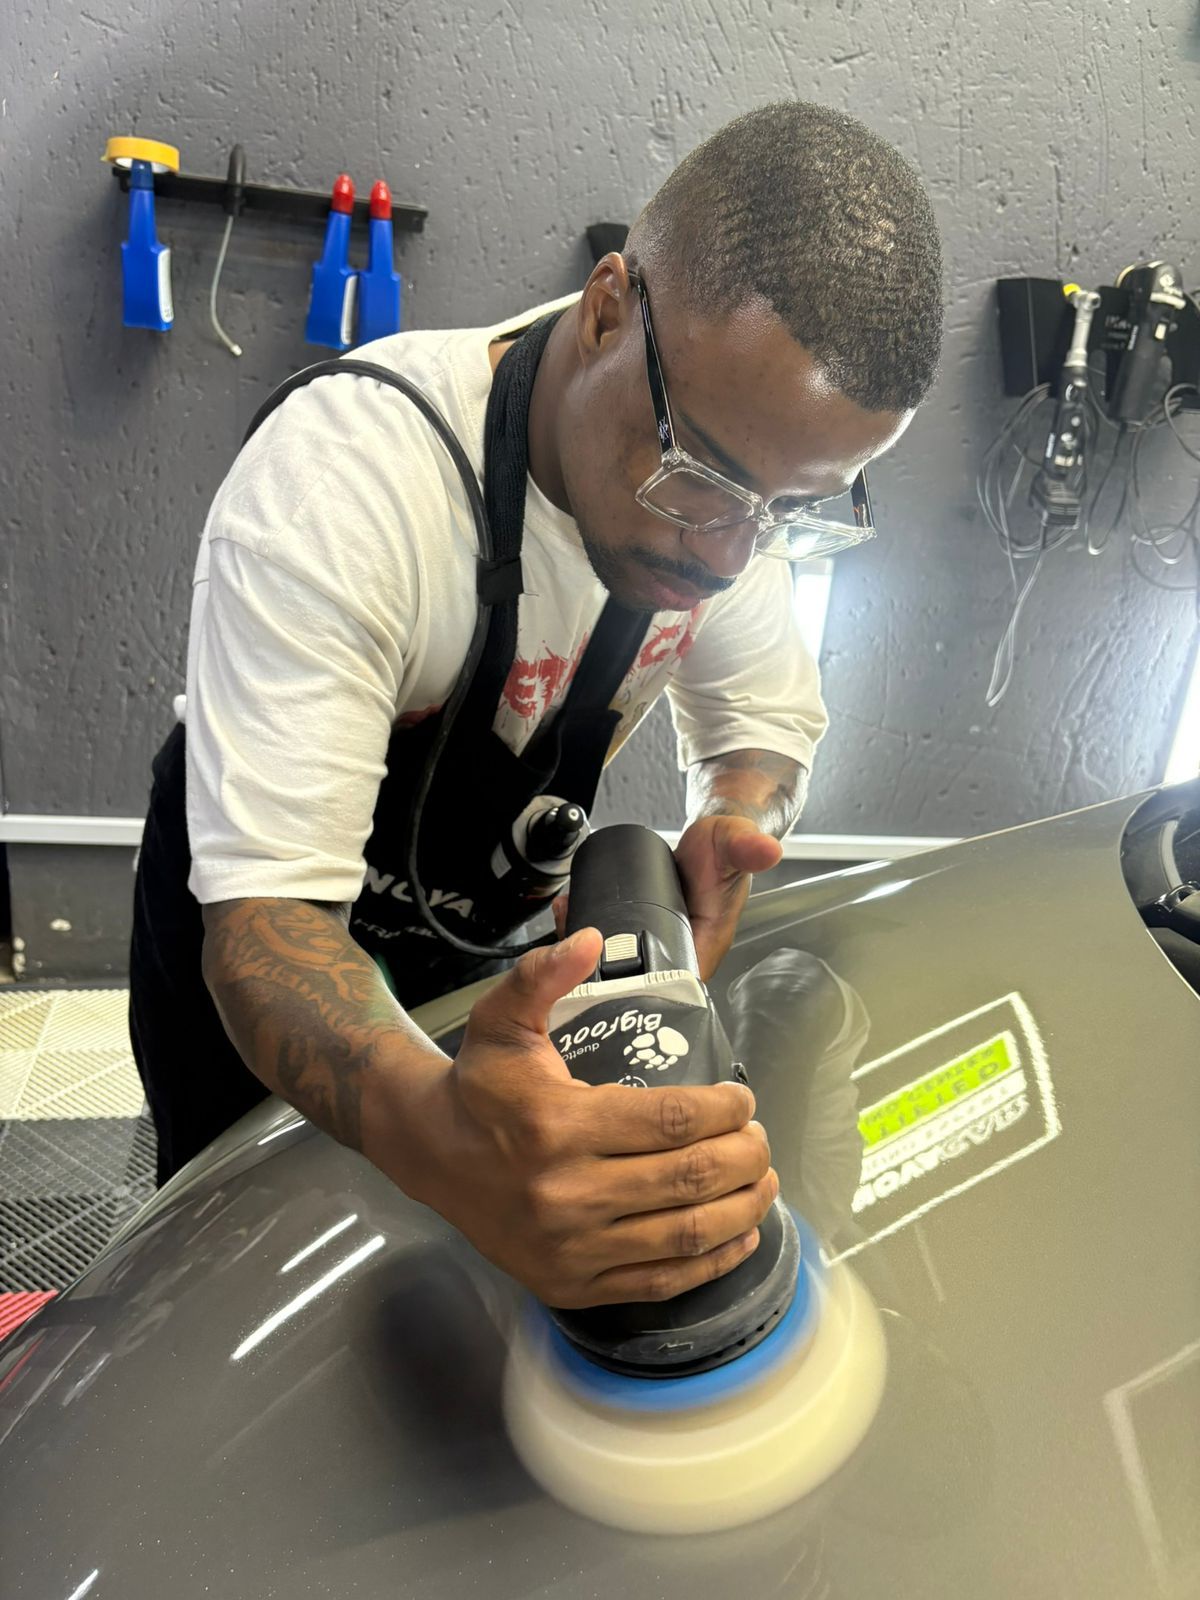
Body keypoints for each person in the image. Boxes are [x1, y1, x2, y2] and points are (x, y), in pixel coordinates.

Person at [129, 100, 942, 1312]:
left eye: (791, 511)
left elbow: (764, 726)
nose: (728, 558)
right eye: (702, 479)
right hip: (263, 950)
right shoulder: (348, 486)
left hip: (487, 956)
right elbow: (270, 935)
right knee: (226, 1288)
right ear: (608, 308)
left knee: (428, 1292)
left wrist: (735, 810)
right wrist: (452, 1146)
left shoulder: (738, 484)